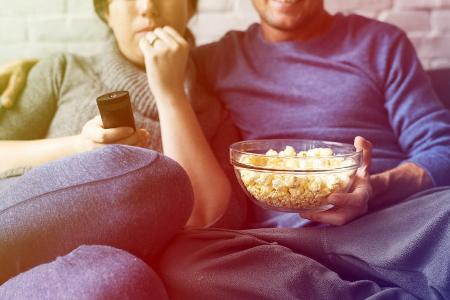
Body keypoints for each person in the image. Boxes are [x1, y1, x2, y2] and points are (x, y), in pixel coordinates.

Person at [1, 0, 450, 299]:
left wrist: (376, 186)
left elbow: (441, 147)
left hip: (389, 220)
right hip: (280, 242)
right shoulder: (213, 62)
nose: (146, 9)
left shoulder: (379, 43)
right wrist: (63, 127)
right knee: (179, 249)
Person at [0, 0, 245, 291]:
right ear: (106, 11)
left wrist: (170, 94)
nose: (146, 8)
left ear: (190, 8)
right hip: (20, 244)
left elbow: (205, 220)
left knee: (121, 279)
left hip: (92, 281)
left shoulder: (213, 114)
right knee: (145, 176)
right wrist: (79, 148)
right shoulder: (64, 71)